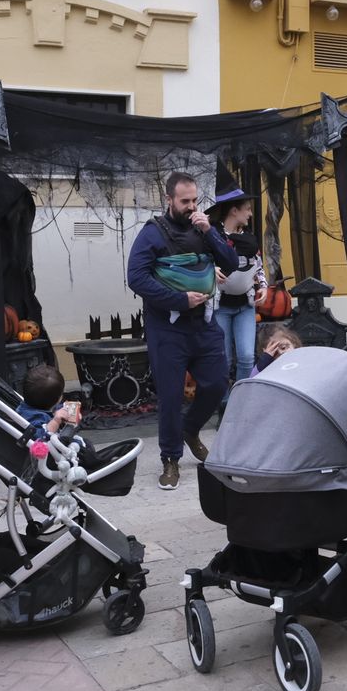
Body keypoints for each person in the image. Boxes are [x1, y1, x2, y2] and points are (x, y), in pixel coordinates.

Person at [126, 172, 239, 491]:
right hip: (168, 330)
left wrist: (210, 232)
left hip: (204, 326)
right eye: (184, 201)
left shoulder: (204, 228)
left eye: (195, 200)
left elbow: (230, 263)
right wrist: (178, 298)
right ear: (169, 200)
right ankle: (170, 458)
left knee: (217, 384)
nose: (191, 207)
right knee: (171, 395)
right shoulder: (153, 234)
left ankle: (190, 430)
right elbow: (136, 277)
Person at [210, 187, 266, 384]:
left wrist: (264, 287)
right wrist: (210, 270)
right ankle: (223, 401)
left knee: (247, 357)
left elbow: (258, 266)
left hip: (245, 306)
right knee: (223, 360)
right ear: (234, 211)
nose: (250, 213)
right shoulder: (213, 236)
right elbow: (202, 261)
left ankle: (239, 396)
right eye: (247, 209)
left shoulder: (249, 239)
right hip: (221, 307)